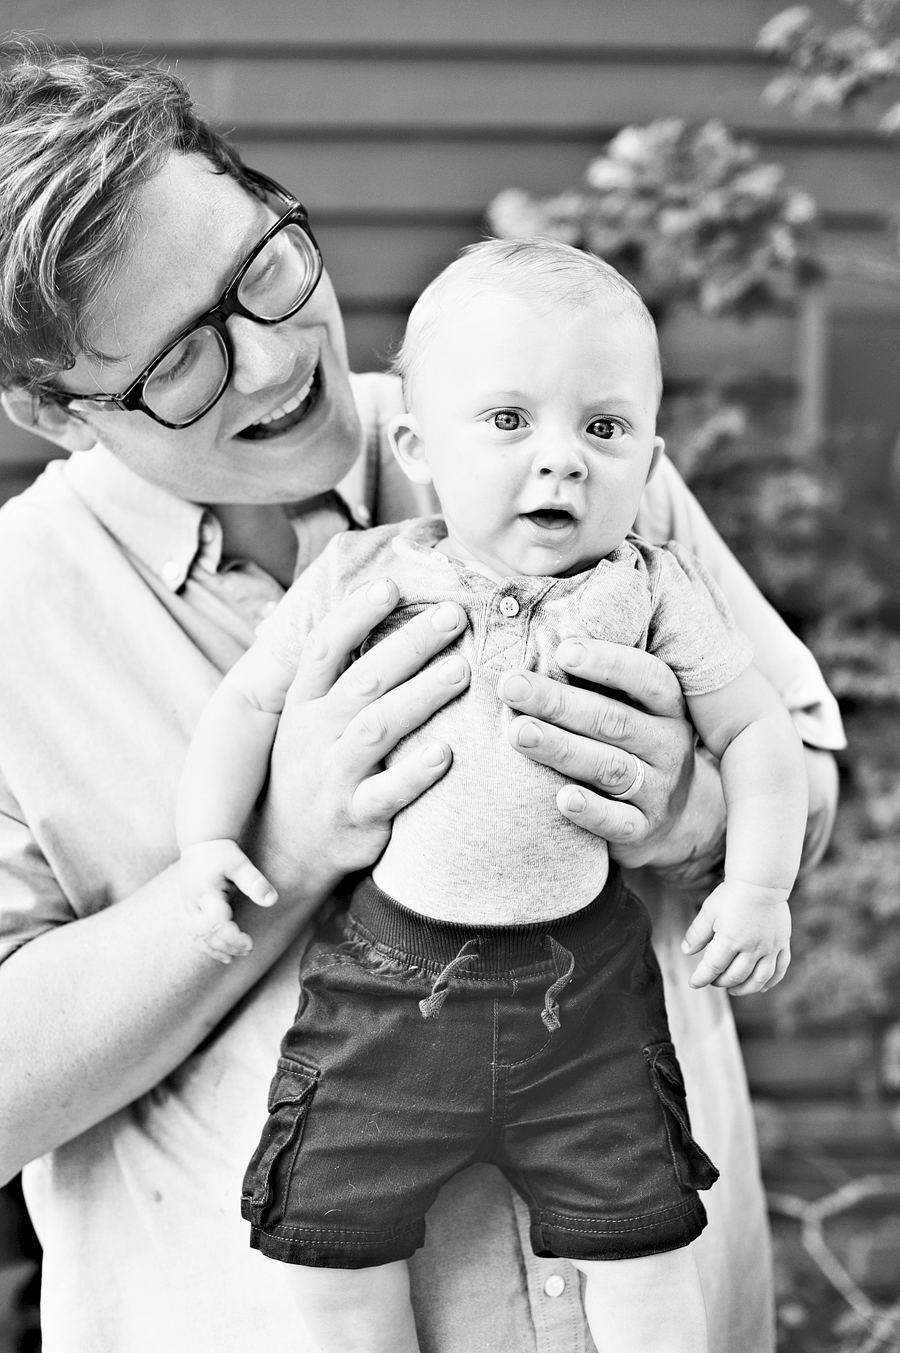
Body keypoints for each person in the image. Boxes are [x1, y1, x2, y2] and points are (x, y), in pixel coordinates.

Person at [0, 43, 843, 1353]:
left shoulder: (562, 446)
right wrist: (279, 851)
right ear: (48, 409)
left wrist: (685, 808)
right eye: (180, 364)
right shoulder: (17, 622)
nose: (277, 365)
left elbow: (798, 767)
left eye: (264, 271)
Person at [176, 239, 807, 1353]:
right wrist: (204, 844)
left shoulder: (650, 586)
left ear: (649, 453)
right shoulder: (369, 574)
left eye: (603, 429)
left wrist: (756, 882)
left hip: (589, 991)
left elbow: (759, 729)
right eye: (509, 422)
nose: (561, 462)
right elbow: (244, 709)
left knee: (644, 1249)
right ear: (418, 448)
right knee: (330, 1246)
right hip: (387, 986)